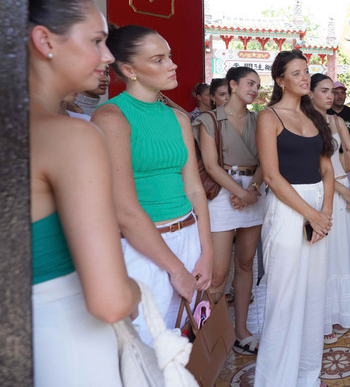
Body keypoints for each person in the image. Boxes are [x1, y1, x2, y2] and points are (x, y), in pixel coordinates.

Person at [29, 0, 140, 386]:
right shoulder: (72, 136)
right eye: (96, 41)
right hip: (62, 342)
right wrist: (137, 291)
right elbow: (109, 301)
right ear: (45, 41)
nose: (108, 56)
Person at [93, 25, 213, 345]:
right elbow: (124, 210)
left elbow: (195, 189)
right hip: (143, 248)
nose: (172, 65)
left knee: (188, 340)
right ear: (129, 70)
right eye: (159, 60)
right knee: (149, 343)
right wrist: (176, 270)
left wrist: (207, 251)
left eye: (169, 57)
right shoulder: (110, 116)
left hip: (188, 237)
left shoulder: (178, 118)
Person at [254, 50, 335, 387]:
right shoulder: (269, 117)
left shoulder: (316, 117)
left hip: (318, 207)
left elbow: (327, 169)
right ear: (280, 80)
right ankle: (275, 380)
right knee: (284, 297)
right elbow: (271, 176)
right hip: (288, 209)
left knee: (314, 295)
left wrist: (326, 213)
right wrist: (312, 215)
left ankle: (307, 376)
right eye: (297, 73)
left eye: (307, 72)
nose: (305, 78)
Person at [193, 66, 264, 355]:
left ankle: (241, 330)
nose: (255, 89)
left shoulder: (260, 119)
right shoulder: (209, 119)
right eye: (250, 83)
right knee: (218, 273)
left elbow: (266, 161)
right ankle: (205, 338)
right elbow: (210, 165)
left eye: (258, 85)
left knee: (246, 264)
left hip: (254, 191)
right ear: (233, 85)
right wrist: (240, 193)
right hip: (222, 193)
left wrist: (253, 190)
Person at [309, 73, 350, 344]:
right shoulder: (305, 122)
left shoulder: (337, 120)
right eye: (324, 90)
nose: (330, 95)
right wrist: (341, 190)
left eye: (332, 90)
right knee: (325, 253)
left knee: (344, 249)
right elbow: (314, 163)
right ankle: (322, 315)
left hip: (345, 185)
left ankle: (342, 309)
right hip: (322, 190)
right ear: (309, 93)